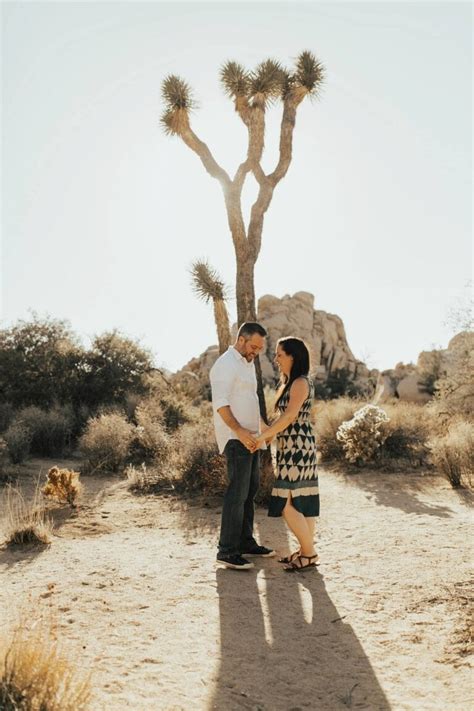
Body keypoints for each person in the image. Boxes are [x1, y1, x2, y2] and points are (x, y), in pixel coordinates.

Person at [210, 322, 275, 570]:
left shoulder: (247, 364)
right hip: (236, 439)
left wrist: (262, 428)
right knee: (237, 492)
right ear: (242, 340)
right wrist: (239, 431)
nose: (256, 352)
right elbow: (221, 403)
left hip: (252, 439)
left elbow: (251, 401)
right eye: (254, 347)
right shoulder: (225, 365)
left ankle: (246, 542)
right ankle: (226, 551)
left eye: (259, 349)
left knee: (250, 490)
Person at [253, 337, 320, 572]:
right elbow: (283, 419)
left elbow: (290, 416)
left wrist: (264, 436)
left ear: (293, 356)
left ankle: (309, 553)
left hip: (297, 447)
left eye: (280, 354)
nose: (276, 359)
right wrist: (266, 431)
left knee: (287, 501)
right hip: (291, 445)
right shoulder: (290, 383)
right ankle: (305, 552)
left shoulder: (300, 382)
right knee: (303, 500)